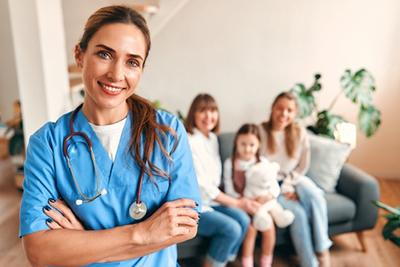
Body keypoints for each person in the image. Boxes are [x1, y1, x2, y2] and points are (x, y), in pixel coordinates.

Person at [19, 6, 201, 267]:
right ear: (79, 55)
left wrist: (83, 243)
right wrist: (143, 232)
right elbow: (39, 251)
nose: (116, 74)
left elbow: (185, 226)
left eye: (132, 62)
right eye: (105, 54)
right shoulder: (48, 143)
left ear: (141, 69)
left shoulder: (167, 132)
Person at [185, 94, 260, 267]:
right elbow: (203, 186)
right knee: (231, 229)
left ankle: (222, 261)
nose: (208, 116)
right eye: (202, 111)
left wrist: (239, 202)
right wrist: (237, 202)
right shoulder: (189, 140)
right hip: (195, 205)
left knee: (243, 220)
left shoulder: (212, 139)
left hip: (212, 202)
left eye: (212, 111)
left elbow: (215, 181)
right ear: (193, 114)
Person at [259, 92, 332, 267]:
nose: (284, 114)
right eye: (280, 108)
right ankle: (310, 263)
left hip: (295, 179)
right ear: (272, 108)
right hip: (271, 185)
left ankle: (323, 250)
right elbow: (258, 167)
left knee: (314, 195)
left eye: (289, 110)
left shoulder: (299, 133)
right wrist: (282, 190)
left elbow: (302, 166)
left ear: (295, 113)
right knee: (297, 214)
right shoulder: (260, 131)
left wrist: (289, 186)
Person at [223, 123, 280, 267]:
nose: (247, 149)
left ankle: (266, 262)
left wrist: (268, 196)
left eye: (251, 145)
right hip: (241, 203)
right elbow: (229, 189)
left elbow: (274, 186)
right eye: (243, 144)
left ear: (258, 145)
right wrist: (244, 201)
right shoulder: (230, 163)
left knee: (269, 228)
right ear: (236, 142)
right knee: (250, 230)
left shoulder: (263, 163)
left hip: (261, 205)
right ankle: (246, 262)